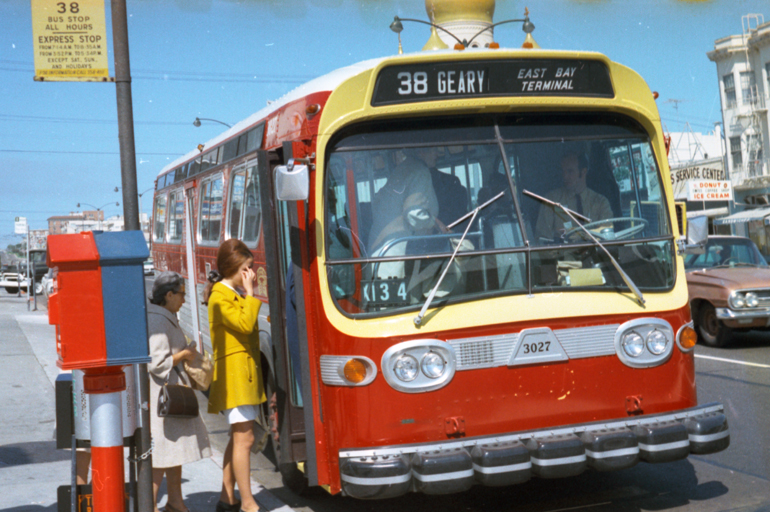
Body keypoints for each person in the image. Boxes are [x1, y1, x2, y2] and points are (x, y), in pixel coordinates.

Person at [204, 239, 265, 512]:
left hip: (242, 376)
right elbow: (244, 323)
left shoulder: (230, 293)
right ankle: (248, 503)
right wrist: (251, 292)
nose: (251, 273)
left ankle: (227, 497)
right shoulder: (220, 296)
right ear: (235, 269)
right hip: (235, 378)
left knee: (238, 437)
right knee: (245, 439)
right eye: (247, 269)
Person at [147, 272, 212, 512]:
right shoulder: (157, 321)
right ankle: (150, 505)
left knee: (173, 453)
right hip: (163, 397)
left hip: (167, 394)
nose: (184, 300)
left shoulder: (163, 316)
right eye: (182, 294)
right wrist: (184, 355)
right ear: (169, 295)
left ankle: (175, 501)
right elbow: (156, 363)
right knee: (162, 455)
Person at [535, 150, 614, 242]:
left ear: (583, 172)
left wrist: (581, 235)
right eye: (563, 171)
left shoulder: (600, 202)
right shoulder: (551, 201)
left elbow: (607, 234)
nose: (565, 176)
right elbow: (542, 239)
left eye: (570, 171)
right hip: (562, 255)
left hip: (596, 254)